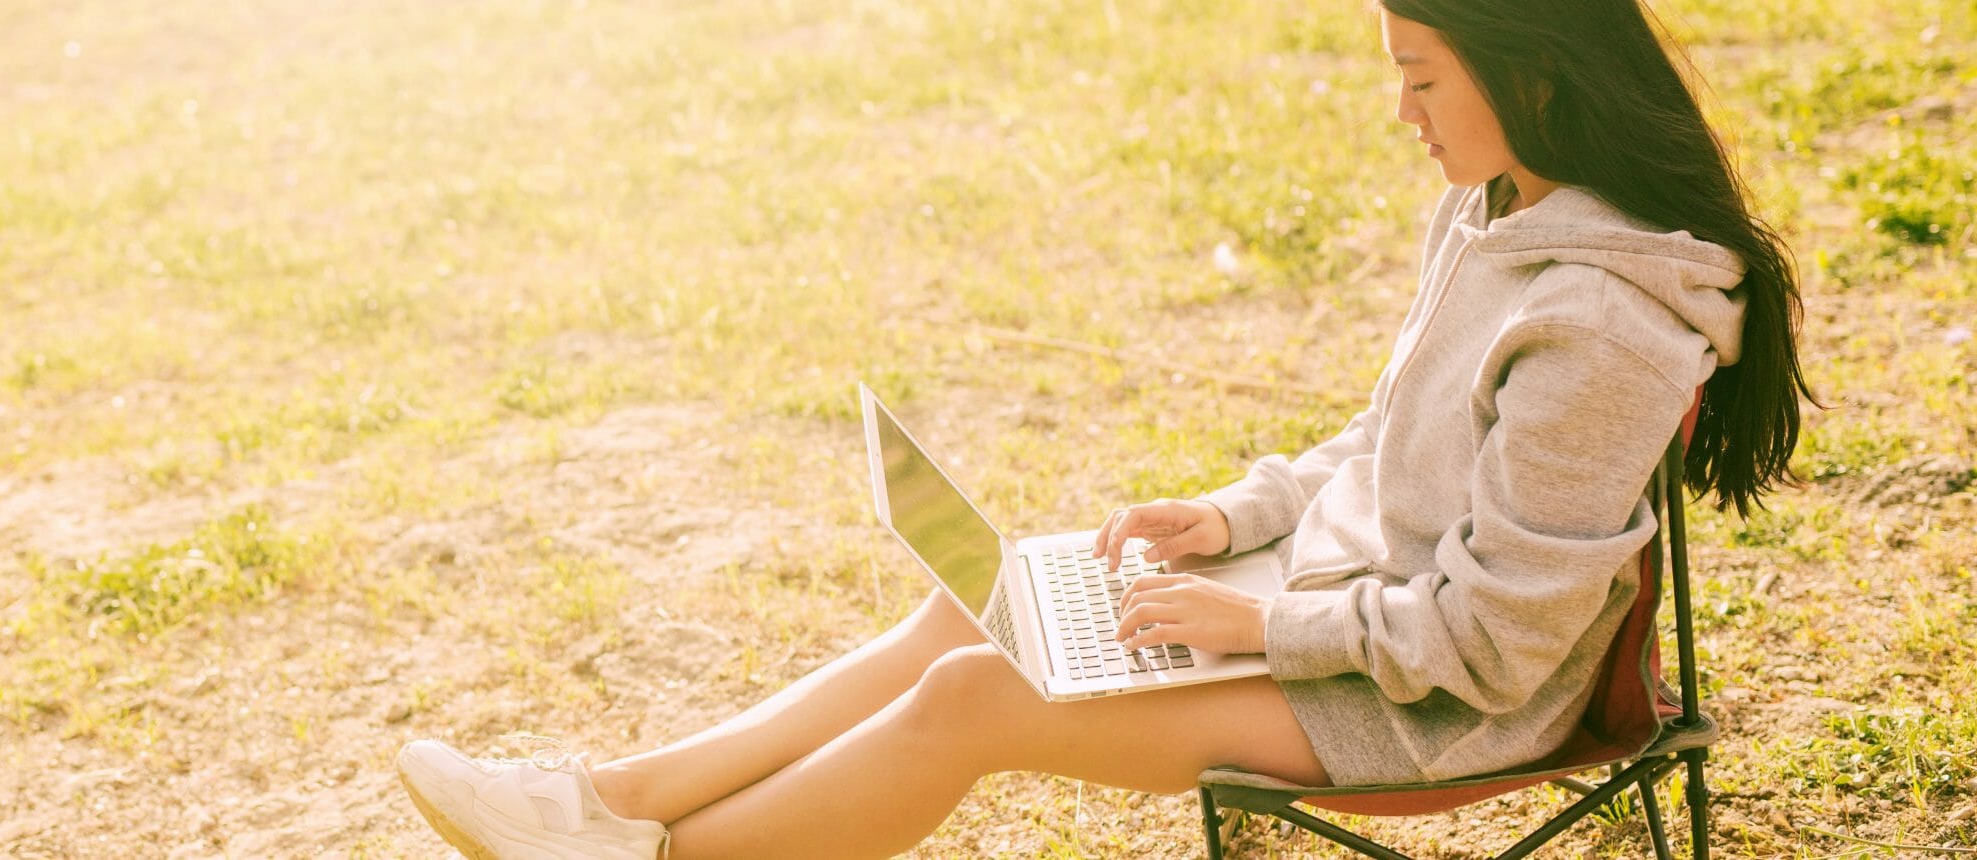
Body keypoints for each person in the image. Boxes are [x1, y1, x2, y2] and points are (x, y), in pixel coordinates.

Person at [393, 0, 1814, 856]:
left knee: (974, 703)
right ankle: (599, 806)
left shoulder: (1606, 327)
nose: (1402, 114)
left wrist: (1255, 627)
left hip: (1439, 704)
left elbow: (1498, 644)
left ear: (1536, 76)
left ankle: (655, 858)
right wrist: (1236, 521)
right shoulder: (1500, 214)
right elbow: (1393, 442)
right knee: (991, 601)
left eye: (1424, 79)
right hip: (1348, 615)